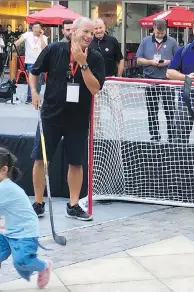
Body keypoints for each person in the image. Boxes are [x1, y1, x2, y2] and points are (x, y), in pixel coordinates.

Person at [29, 17, 105, 221]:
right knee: (40, 158)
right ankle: (38, 202)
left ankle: (73, 205)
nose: (89, 36)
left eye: (92, 33)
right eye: (85, 32)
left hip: (78, 118)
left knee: (76, 162)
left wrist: (83, 64)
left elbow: (95, 88)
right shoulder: (55, 49)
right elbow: (34, 72)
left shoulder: (95, 57)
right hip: (50, 115)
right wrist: (34, 92)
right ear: (74, 31)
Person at [0, 147, 52, 288]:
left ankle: (43, 265)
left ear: (4, 170)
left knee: (22, 261)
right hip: (7, 230)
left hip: (24, 232)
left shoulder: (5, 188)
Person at [136, 19, 179, 142]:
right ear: (153, 29)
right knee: (152, 109)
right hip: (150, 79)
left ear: (166, 30)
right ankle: (155, 135)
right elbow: (139, 59)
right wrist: (151, 62)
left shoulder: (172, 42)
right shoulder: (145, 41)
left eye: (162, 33)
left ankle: (172, 135)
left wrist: (168, 62)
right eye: (158, 32)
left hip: (167, 79)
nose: (160, 35)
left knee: (170, 109)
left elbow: (178, 60)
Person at [14, 22, 48, 104]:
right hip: (30, 62)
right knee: (31, 79)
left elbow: (44, 48)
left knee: (39, 80)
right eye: (34, 27)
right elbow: (19, 41)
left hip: (40, 62)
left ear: (41, 29)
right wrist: (13, 45)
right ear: (32, 28)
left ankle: (36, 96)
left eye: (38, 27)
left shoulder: (43, 37)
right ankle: (30, 98)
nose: (36, 29)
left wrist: (41, 37)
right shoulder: (28, 34)